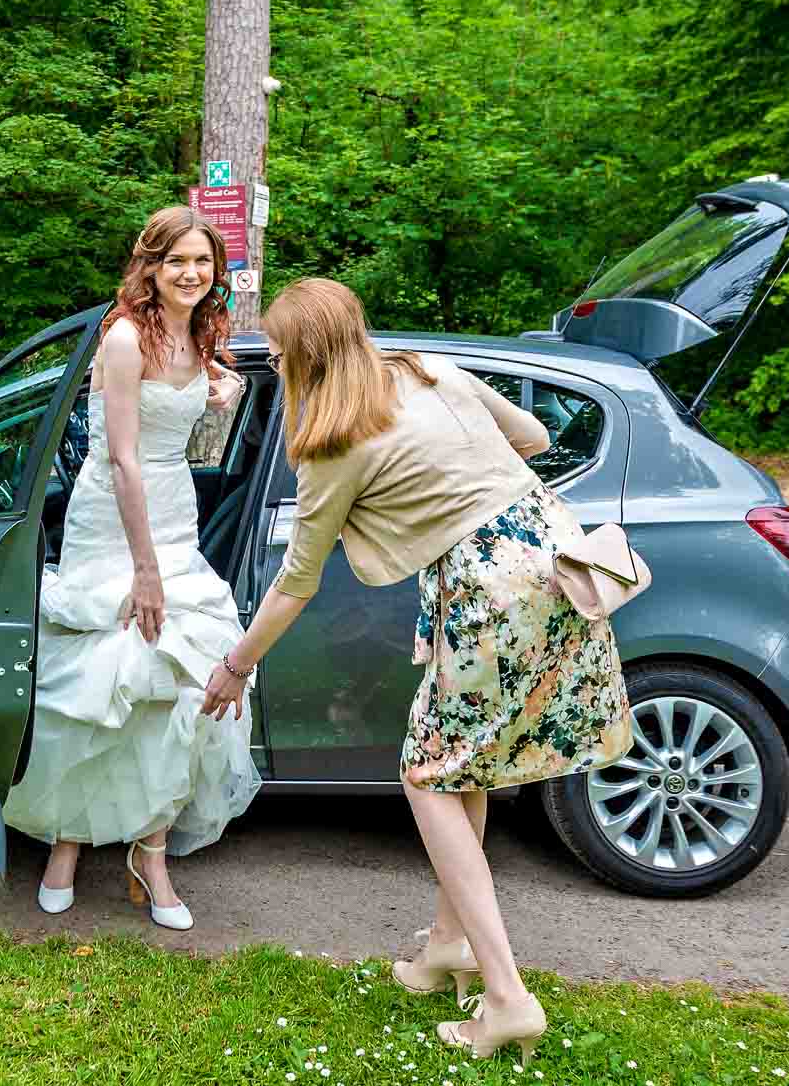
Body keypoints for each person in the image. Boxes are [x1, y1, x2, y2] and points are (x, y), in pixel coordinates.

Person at [200, 278, 632, 1067]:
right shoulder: (430, 369)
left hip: (486, 590)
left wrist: (236, 666)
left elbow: (296, 580)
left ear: (296, 359)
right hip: (552, 559)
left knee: (430, 776)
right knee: (459, 766)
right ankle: (448, 948)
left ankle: (506, 995)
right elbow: (533, 436)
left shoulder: (333, 442)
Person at [1, 206, 258, 929]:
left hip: (172, 508)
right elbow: (120, 458)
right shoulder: (122, 338)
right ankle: (68, 839)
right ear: (150, 266)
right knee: (100, 677)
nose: (191, 273)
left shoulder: (198, 333)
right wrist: (145, 571)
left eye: (203, 262)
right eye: (177, 260)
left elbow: (188, 449)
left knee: (175, 685)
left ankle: (151, 852)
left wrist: (222, 398)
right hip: (113, 519)